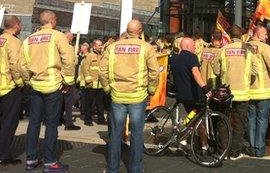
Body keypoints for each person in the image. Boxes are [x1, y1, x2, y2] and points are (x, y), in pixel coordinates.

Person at [99, 19, 160, 173]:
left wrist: (107, 88)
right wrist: (151, 90)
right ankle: (135, 169)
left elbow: (102, 70)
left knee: (115, 134)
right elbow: (154, 72)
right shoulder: (146, 47)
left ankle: (112, 168)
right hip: (137, 96)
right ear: (140, 31)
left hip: (117, 95)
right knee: (137, 135)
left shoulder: (112, 47)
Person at [19, 10, 75, 171]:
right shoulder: (58, 36)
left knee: (34, 123)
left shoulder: (28, 39)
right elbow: (69, 59)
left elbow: (21, 65)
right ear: (52, 20)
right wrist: (68, 81)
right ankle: (50, 162)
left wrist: (29, 80)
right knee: (51, 124)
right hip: (53, 86)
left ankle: (31, 159)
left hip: (35, 86)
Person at [213, 25, 257, 160]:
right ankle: (235, 152)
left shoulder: (223, 49)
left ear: (230, 36)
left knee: (223, 121)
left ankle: (222, 151)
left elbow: (216, 71)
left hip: (226, 93)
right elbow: (255, 71)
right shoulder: (248, 50)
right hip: (243, 92)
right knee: (239, 123)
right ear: (241, 35)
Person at [170, 37, 212, 151]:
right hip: (193, 95)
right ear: (188, 46)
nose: (195, 47)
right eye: (194, 45)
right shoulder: (192, 57)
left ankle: (201, 144)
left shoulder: (174, 59)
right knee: (198, 117)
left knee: (195, 117)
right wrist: (204, 87)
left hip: (181, 95)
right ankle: (189, 139)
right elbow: (195, 72)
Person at [248, 26, 270, 157]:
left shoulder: (244, 46)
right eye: (264, 34)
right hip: (263, 90)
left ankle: (252, 147)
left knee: (251, 119)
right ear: (257, 34)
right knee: (262, 119)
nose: (267, 36)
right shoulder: (265, 47)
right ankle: (259, 147)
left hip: (249, 90)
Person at [0, 16, 23, 165]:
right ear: (15, 25)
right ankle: (4, 155)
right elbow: (15, 64)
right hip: (9, 87)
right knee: (8, 123)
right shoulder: (14, 42)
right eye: (20, 24)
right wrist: (20, 82)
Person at [82, 39, 106, 126]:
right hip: (91, 84)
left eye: (101, 45)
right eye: (99, 45)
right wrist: (88, 80)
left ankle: (101, 119)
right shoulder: (90, 56)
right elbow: (85, 68)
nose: (101, 46)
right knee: (89, 103)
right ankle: (87, 120)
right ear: (94, 46)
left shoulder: (103, 56)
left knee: (100, 103)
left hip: (100, 85)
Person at [61, 31, 80, 131]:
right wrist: (66, 80)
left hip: (59, 79)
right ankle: (69, 123)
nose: (72, 39)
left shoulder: (59, 46)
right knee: (68, 103)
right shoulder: (68, 47)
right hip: (67, 80)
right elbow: (70, 64)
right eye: (72, 37)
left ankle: (57, 119)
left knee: (60, 102)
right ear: (69, 37)